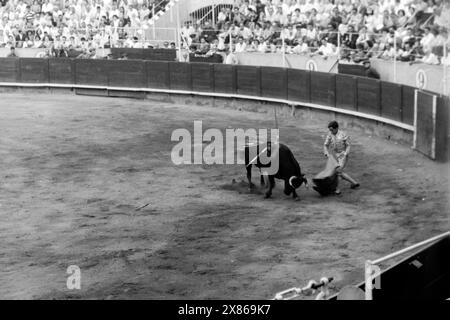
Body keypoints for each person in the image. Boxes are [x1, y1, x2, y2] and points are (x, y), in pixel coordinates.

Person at [323, 121, 360, 194]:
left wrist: (345, 154)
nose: (331, 131)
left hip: (342, 155)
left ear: (336, 128)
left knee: (338, 171)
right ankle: (354, 183)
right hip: (334, 155)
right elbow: (325, 145)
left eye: (332, 129)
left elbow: (348, 145)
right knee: (339, 172)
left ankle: (337, 189)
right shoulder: (330, 134)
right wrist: (326, 152)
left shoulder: (343, 134)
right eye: (330, 130)